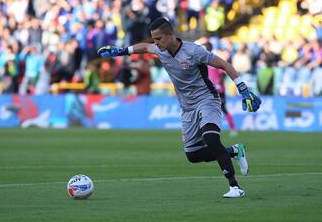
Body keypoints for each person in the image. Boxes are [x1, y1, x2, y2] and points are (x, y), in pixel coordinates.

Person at [97, 17, 261, 198]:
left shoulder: (194, 51)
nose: (156, 43)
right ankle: (235, 151)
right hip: (187, 108)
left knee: (211, 139)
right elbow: (144, 47)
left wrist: (243, 89)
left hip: (206, 99)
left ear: (170, 34)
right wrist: (120, 51)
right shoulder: (161, 50)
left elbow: (223, 64)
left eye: (159, 38)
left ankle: (235, 187)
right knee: (193, 155)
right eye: (154, 39)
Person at [204, 42, 238, 136]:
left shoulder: (213, 60)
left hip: (218, 90)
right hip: (208, 89)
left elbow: (223, 73)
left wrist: (220, 85)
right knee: (208, 110)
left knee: (223, 109)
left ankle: (233, 129)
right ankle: (210, 131)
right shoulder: (202, 60)